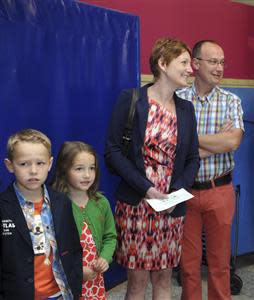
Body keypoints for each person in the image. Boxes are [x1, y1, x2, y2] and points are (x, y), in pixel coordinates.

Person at [105, 37, 200, 300]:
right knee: (137, 282)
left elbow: (193, 158)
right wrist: (147, 189)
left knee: (164, 278)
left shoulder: (186, 109)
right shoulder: (132, 99)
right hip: (137, 204)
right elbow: (112, 151)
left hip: (171, 207)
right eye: (183, 62)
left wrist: (176, 192)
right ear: (162, 63)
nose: (190, 69)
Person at [177, 40, 244, 300]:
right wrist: (213, 140)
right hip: (185, 190)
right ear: (195, 64)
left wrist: (189, 142)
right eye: (213, 61)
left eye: (222, 62)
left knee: (219, 263)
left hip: (220, 189)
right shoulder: (178, 99)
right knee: (188, 265)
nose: (219, 68)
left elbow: (232, 141)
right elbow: (172, 145)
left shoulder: (231, 101)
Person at [0, 129, 82, 299]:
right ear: (9, 165)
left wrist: (76, 279)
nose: (33, 171)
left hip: (61, 293)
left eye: (40, 163)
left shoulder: (62, 202)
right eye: (24, 164)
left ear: (50, 164)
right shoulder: (3, 207)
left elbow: (74, 247)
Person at [52, 141, 117, 300]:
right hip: (65, 281)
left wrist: (104, 258)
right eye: (79, 168)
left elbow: (110, 237)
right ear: (64, 170)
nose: (87, 175)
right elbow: (52, 248)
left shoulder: (101, 202)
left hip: (94, 281)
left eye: (92, 168)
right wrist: (78, 272)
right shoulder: (55, 205)